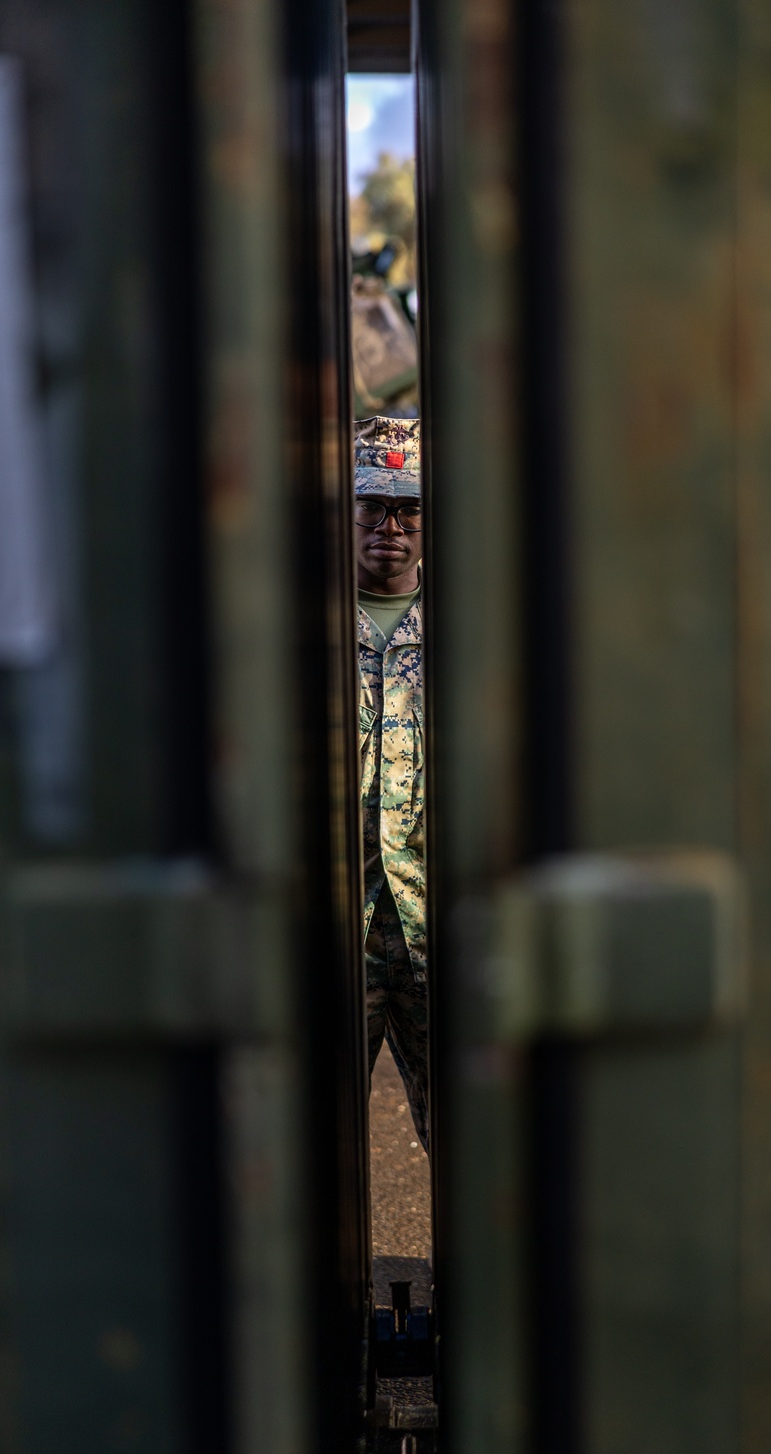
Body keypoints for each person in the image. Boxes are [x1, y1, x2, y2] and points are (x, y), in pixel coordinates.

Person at [354, 416, 429, 1151]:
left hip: (434, 929)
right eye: (371, 506)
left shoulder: (465, 631)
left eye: (409, 507)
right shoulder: (299, 632)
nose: (391, 526)